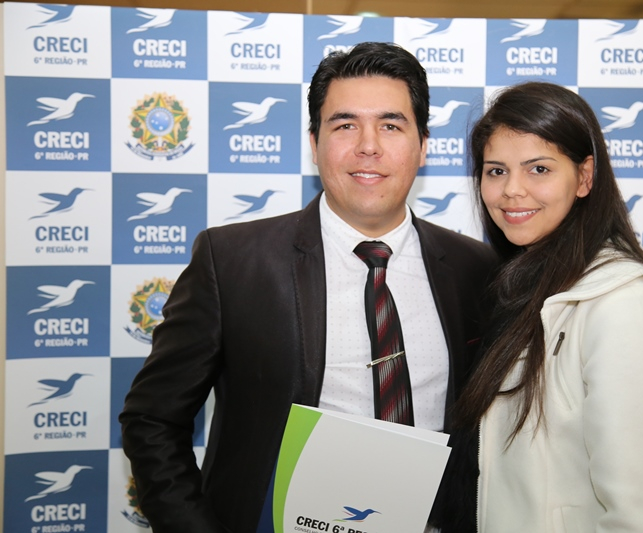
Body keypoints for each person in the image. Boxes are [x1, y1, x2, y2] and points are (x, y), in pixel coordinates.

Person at [119, 42, 497, 533]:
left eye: (391, 125)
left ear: (423, 145)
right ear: (314, 143)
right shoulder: (231, 261)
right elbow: (152, 420)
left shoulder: (475, 267)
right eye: (345, 125)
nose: (368, 146)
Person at [453, 81, 643, 532]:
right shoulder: (518, 289)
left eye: (539, 169)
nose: (511, 190)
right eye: (496, 171)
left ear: (584, 177)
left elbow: (638, 518)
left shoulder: (621, 308)